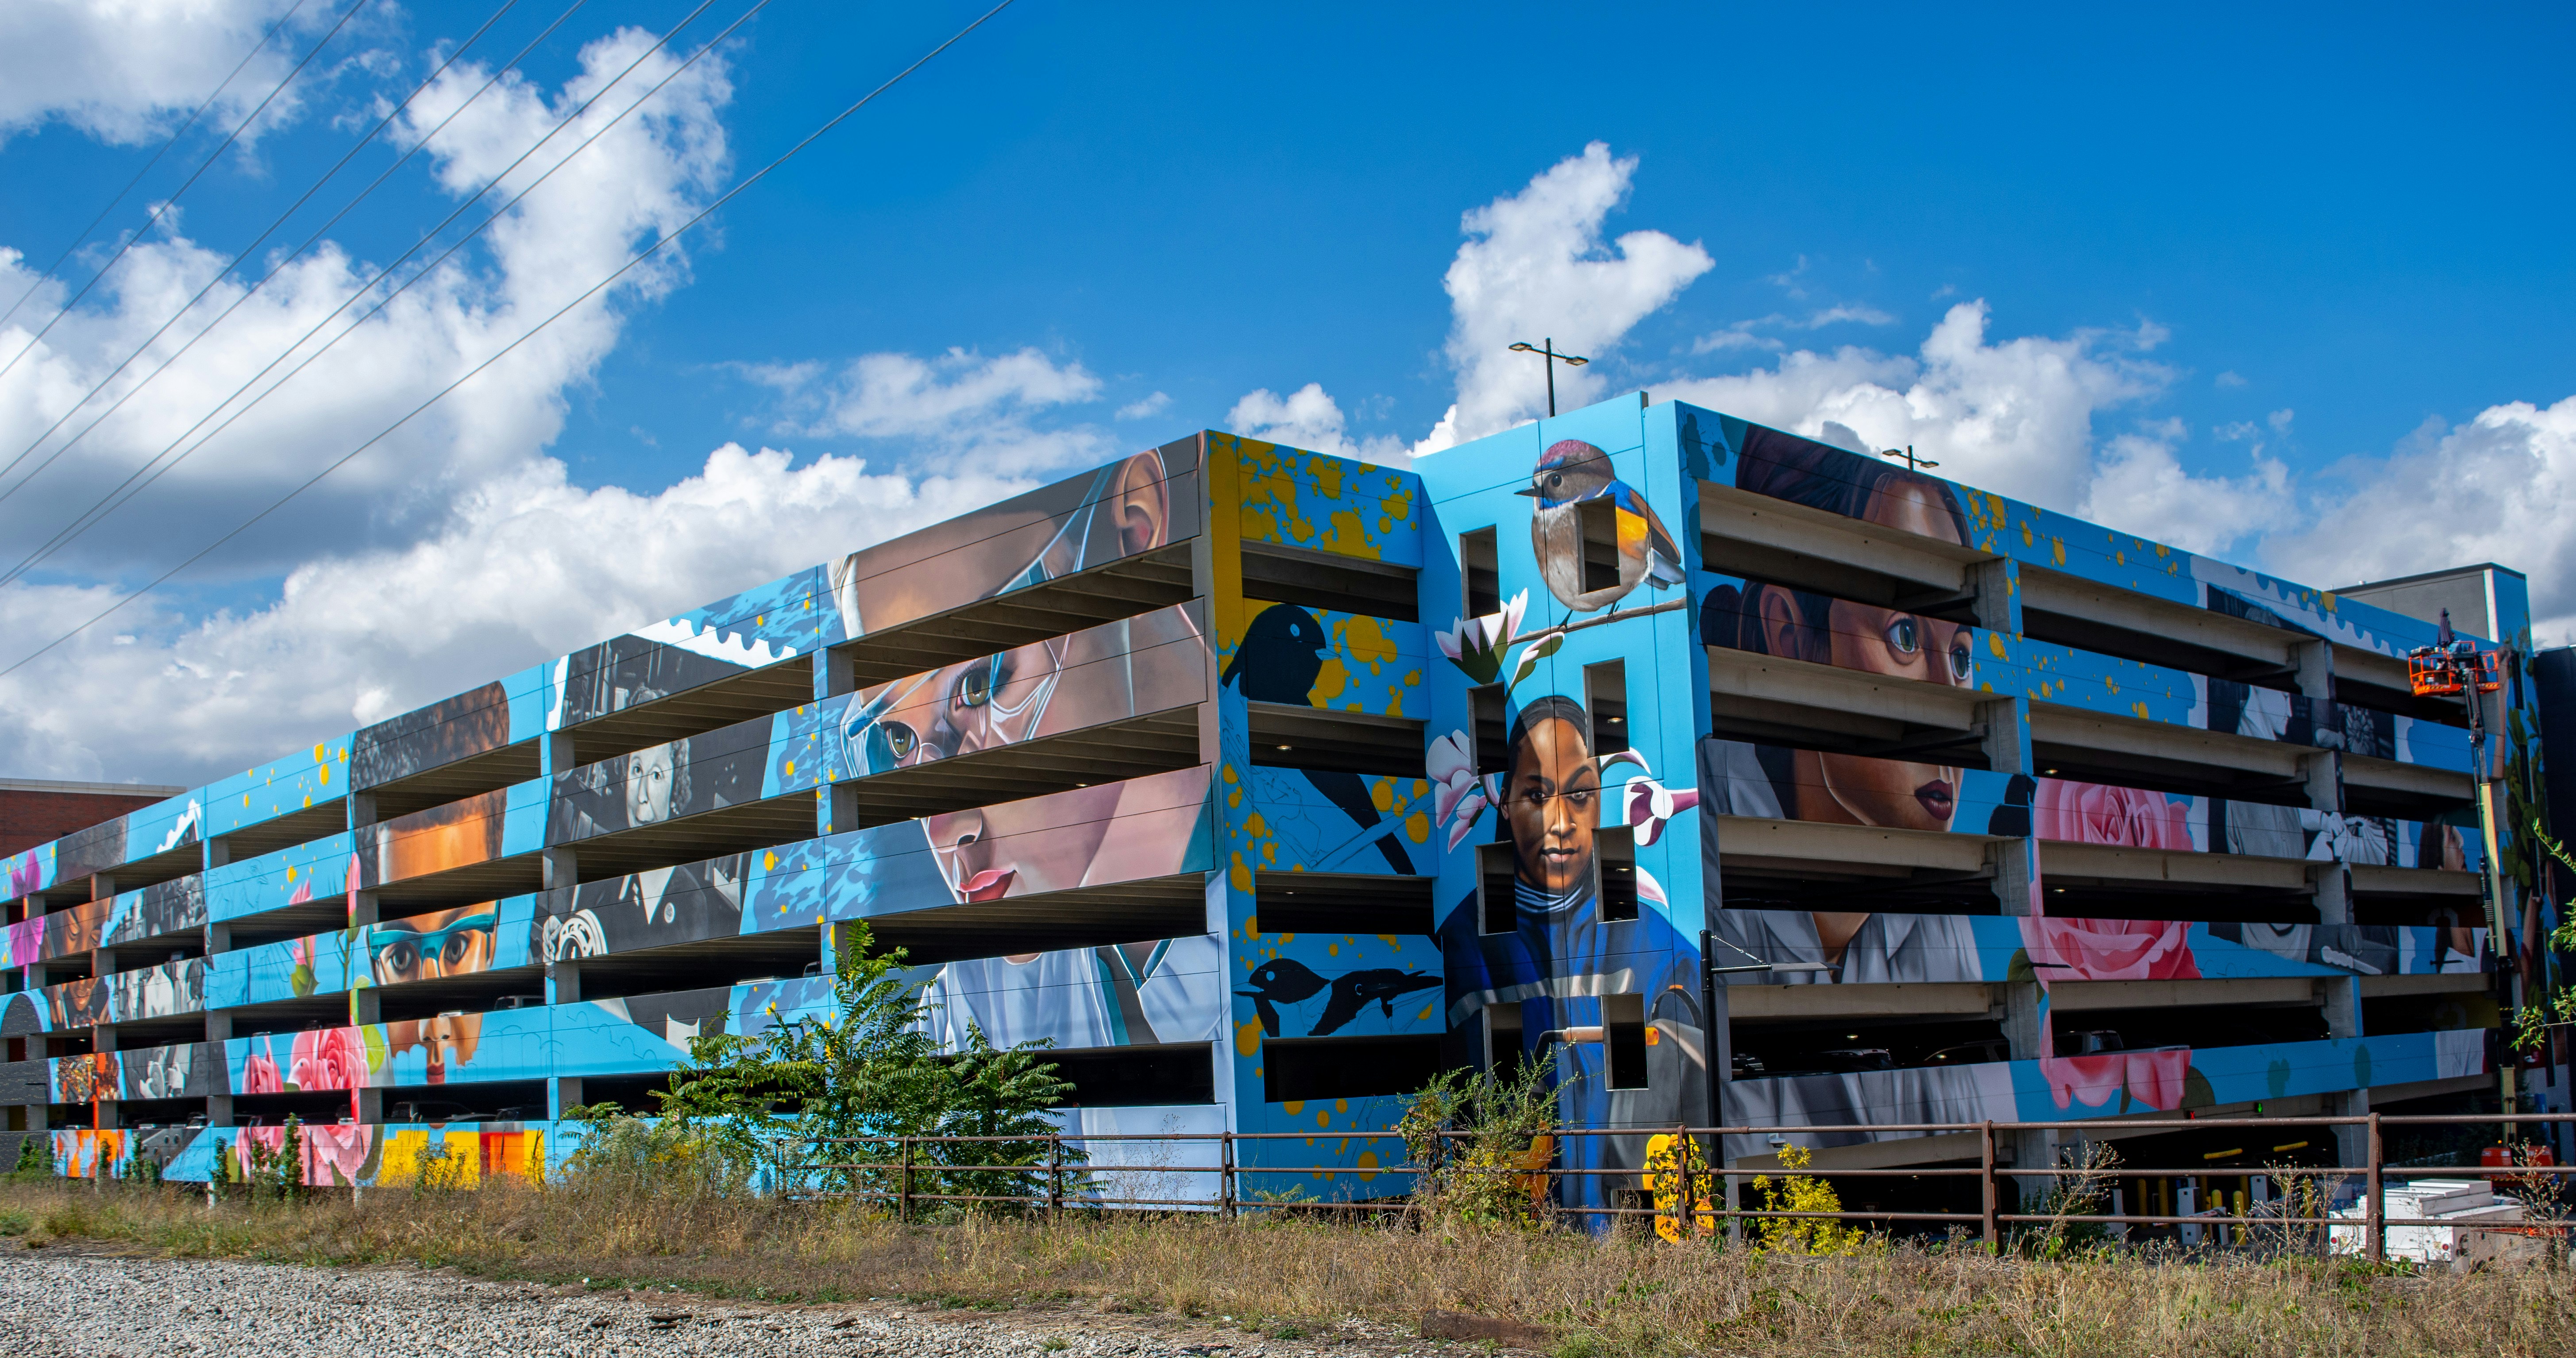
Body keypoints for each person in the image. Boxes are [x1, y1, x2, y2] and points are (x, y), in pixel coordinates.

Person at [1443, 696, 1703, 1219]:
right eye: (1537, 795)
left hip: (1633, 1233)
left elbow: (1694, 1100)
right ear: (1504, 802)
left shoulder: (1662, 950)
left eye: (1580, 793)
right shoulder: (1462, 942)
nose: (1561, 820)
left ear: (1600, 803)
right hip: (1516, 1236)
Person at [1700, 427, 1979, 833]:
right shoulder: (1701, 827)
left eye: (1961, 657)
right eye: (1905, 637)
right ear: (1788, 635)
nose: (1950, 715)